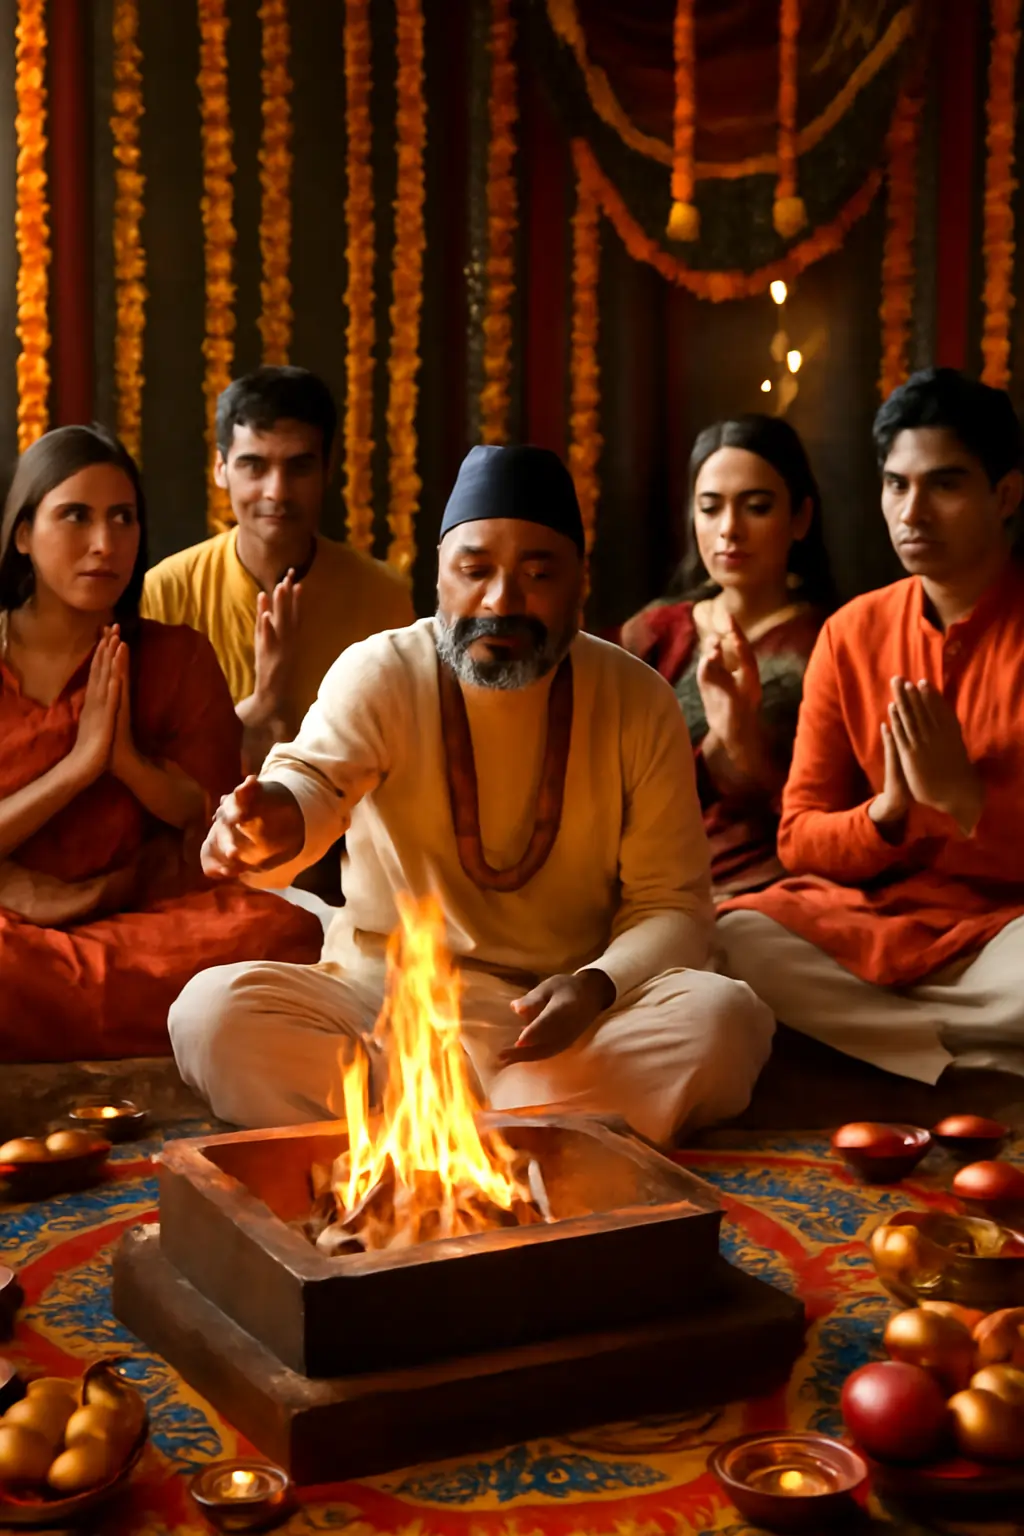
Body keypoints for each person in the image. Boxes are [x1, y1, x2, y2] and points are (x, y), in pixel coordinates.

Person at [168, 445, 774, 1144]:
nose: (501, 602)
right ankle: (529, 1134)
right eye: (475, 570)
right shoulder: (382, 670)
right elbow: (312, 784)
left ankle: (436, 1132)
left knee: (723, 1019)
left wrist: (597, 985)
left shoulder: (637, 699)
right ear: (440, 579)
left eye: (538, 574)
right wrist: (270, 821)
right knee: (211, 1017)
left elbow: (672, 905)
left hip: (564, 1023)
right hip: (387, 1007)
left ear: (580, 583)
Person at [717, 369, 1024, 1084]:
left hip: (1007, 930)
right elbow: (798, 837)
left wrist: (969, 805)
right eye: (896, 485)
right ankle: (974, 1061)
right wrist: (887, 815)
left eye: (944, 485)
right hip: (878, 918)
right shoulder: (852, 632)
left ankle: (908, 1051)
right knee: (736, 936)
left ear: (1005, 495)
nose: (912, 512)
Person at [0, 426, 323, 1062]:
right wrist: (77, 768)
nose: (104, 544)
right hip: (13, 927)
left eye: (123, 518)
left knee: (287, 930)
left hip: (140, 919)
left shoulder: (176, 656)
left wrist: (126, 764)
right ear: (22, 534)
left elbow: (212, 822)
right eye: (75, 516)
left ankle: (50, 1014)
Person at [141, 367, 414, 770]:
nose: (277, 491)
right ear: (221, 470)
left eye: (299, 467)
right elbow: (151, 763)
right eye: (254, 465)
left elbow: (397, 754)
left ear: (328, 467)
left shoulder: (382, 597)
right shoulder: (167, 591)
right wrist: (262, 703)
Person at [617, 416, 834, 897]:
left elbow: (832, 802)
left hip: (775, 880)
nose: (729, 530)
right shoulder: (653, 632)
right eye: (710, 509)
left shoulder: (830, 641)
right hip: (645, 873)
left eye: (756, 507)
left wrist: (740, 740)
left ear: (800, 518)